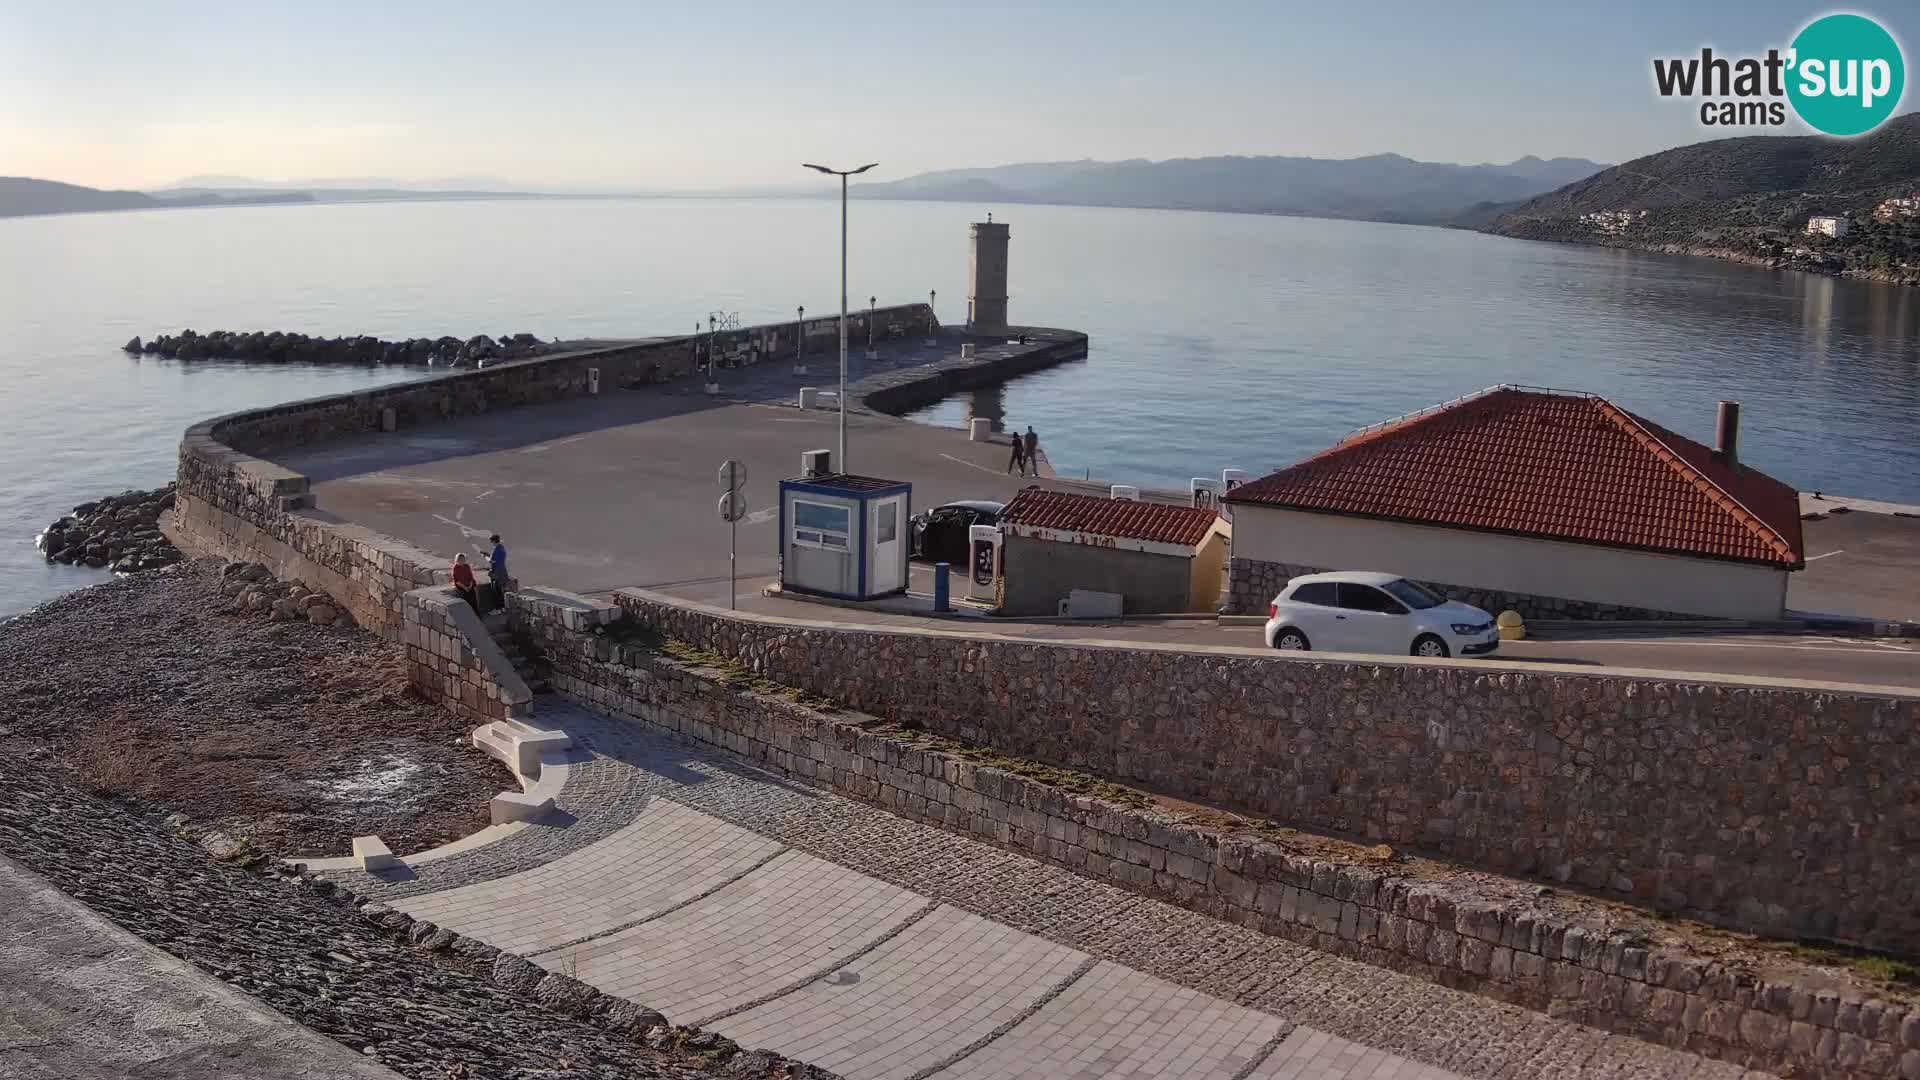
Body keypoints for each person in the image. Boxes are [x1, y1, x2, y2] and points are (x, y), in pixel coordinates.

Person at [487, 533, 510, 612]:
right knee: (500, 590)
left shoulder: (496, 549)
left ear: (493, 541)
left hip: (496, 572)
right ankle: (503, 607)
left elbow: (493, 561)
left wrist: (488, 559)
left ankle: (498, 609)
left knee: (496, 591)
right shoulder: (501, 548)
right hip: (501, 571)